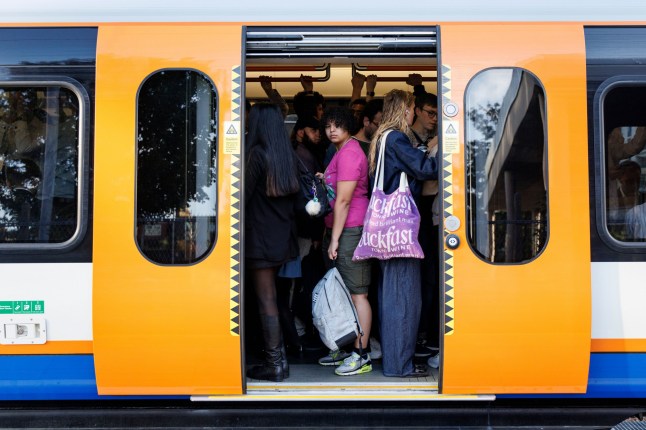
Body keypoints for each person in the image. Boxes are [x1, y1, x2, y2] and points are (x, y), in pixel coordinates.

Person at [368, 89, 439, 378]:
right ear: (405, 110)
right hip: (399, 231)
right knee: (404, 297)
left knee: (391, 295)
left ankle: (397, 361)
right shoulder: (396, 138)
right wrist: (438, 148)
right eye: (411, 108)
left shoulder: (381, 138)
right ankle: (400, 366)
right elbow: (425, 169)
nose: (412, 113)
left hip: (385, 230)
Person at [245, 102, 300, 382]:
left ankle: (275, 364)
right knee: (274, 297)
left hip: (260, 238)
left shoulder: (257, 155)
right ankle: (282, 361)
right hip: (283, 237)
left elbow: (242, 196)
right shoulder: (286, 154)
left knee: (265, 299)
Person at [318, 106, 373, 376]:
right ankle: (346, 348)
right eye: (328, 125)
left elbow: (344, 200)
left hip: (351, 229)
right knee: (342, 293)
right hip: (341, 229)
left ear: (348, 126)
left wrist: (335, 239)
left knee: (357, 293)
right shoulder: (341, 151)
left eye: (337, 125)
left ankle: (362, 354)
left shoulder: (350, 153)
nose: (332, 130)